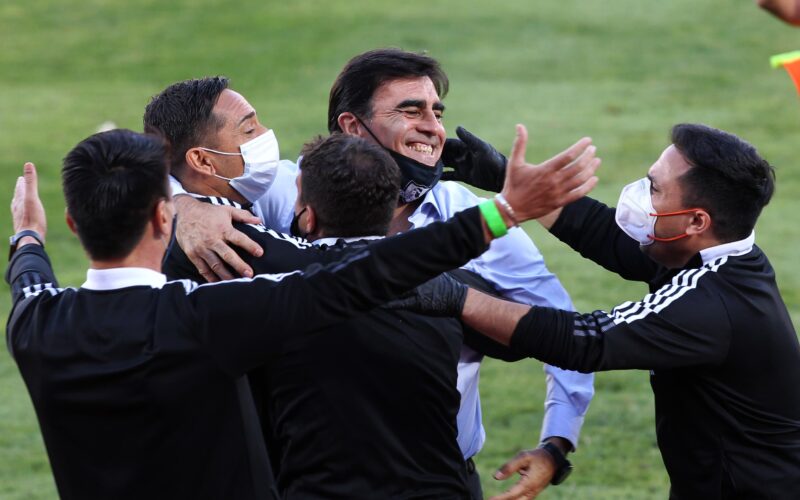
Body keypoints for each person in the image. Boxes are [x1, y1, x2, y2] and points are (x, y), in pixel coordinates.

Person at [6, 127, 591, 499]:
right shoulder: (211, 314)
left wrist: (27, 238)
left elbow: (29, 278)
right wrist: (502, 212)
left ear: (75, 225)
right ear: (166, 219)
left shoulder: (33, 326)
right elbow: (365, 275)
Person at [171, 50, 596, 497]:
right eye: (410, 110)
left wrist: (556, 443)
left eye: (436, 112)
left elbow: (562, 327)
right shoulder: (289, 187)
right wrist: (185, 207)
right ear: (353, 126)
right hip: (302, 474)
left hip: (436, 472)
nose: (433, 126)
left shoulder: (464, 210)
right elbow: (161, 170)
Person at [408, 123, 800, 499]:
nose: (642, 196)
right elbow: (610, 238)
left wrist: (452, 295)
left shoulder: (711, 305)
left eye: (654, 188)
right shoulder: (712, 251)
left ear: (697, 220)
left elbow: (585, 341)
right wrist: (511, 182)